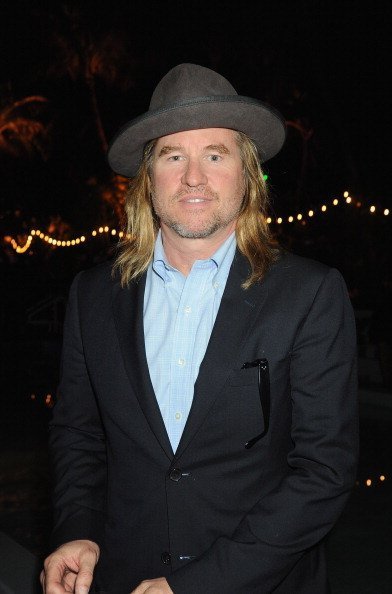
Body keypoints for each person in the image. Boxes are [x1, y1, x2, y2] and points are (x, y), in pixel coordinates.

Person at [41, 63, 358, 594]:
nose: (193, 176)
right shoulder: (93, 296)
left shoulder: (310, 293)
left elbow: (324, 473)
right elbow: (78, 436)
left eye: (215, 154)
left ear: (246, 172)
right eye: (173, 155)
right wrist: (78, 531)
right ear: (149, 177)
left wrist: (195, 584)